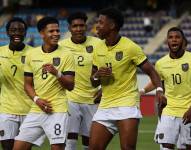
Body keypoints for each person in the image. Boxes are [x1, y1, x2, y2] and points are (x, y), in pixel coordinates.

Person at [89, 8, 166, 150]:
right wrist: (97, 76)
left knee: (127, 148)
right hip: (105, 106)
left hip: (127, 105)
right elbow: (93, 82)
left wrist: (160, 90)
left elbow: (152, 71)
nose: (97, 26)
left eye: (100, 22)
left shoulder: (130, 47)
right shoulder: (98, 48)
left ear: (112, 26)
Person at [13, 16, 75, 150]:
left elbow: (70, 85)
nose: (56, 34)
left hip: (57, 110)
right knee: (18, 147)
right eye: (51, 31)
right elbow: (27, 85)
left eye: (57, 31)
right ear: (42, 34)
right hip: (37, 109)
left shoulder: (67, 54)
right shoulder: (32, 54)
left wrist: (57, 73)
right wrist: (36, 99)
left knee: (57, 148)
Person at [140, 27, 191, 150]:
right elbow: (156, 81)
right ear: (166, 42)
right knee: (166, 146)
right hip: (169, 110)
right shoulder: (161, 63)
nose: (174, 40)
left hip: (188, 110)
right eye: (170, 37)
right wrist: (142, 91)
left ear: (183, 41)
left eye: (177, 37)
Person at [59, 12, 103, 150]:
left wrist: (103, 89)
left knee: (89, 141)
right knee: (70, 138)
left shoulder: (98, 44)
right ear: (69, 28)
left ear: (86, 26)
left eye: (81, 26)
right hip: (70, 98)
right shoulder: (61, 46)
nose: (78, 29)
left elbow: (108, 67)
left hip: (92, 98)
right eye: (75, 26)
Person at [0, 17, 44, 150]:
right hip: (7, 110)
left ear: (25, 32)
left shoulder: (34, 53)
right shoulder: (0, 52)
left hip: (29, 110)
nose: (17, 33)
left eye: (20, 30)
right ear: (7, 32)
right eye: (13, 30)